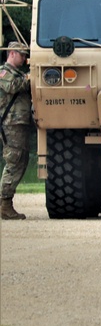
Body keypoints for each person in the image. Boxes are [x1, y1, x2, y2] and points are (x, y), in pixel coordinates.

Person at [0, 41, 33, 219]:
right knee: (14, 161)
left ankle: (6, 203)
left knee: (21, 161)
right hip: (11, 125)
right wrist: (29, 78)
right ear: (12, 54)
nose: (24, 58)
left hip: (19, 124)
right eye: (21, 54)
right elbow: (12, 86)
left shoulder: (18, 74)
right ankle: (5, 204)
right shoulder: (4, 72)